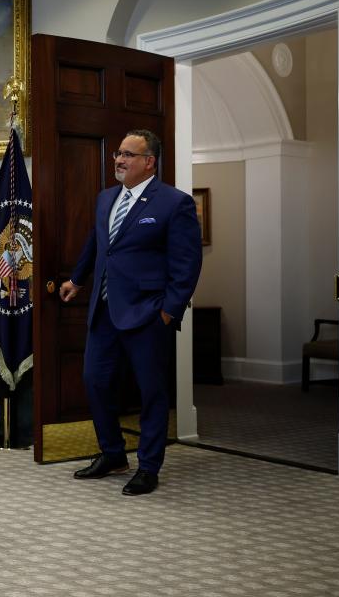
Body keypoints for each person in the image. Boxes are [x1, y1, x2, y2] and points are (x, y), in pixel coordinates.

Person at [59, 129, 202, 496]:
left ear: (149, 162)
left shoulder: (174, 203)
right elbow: (98, 243)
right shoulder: (106, 198)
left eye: (128, 154)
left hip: (148, 314)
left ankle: (149, 467)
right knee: (95, 380)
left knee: (151, 392)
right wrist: (77, 280)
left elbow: (187, 264)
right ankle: (113, 453)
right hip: (104, 310)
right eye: (118, 154)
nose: (118, 160)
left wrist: (169, 311)